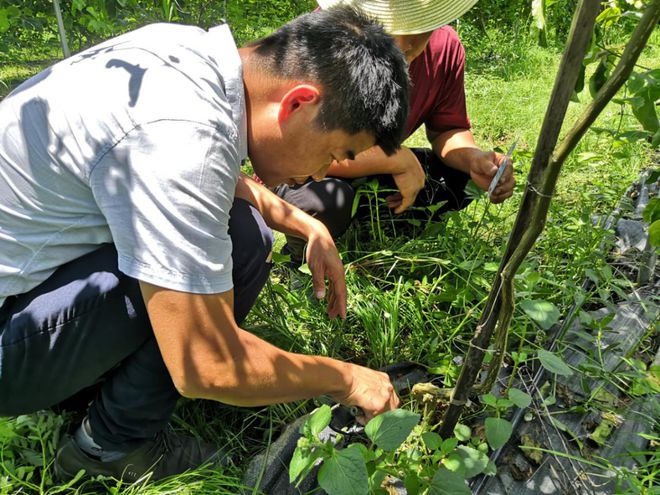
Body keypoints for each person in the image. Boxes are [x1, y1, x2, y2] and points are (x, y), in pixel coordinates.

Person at [0, 6, 409, 482]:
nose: (322, 174)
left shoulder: (183, 58)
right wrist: (346, 379)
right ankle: (106, 447)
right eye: (334, 153)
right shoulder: (180, 137)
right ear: (299, 103)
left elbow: (212, 179)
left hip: (26, 295)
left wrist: (306, 223)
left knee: (243, 231)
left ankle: (88, 392)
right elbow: (206, 363)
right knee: (242, 242)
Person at [275, 0, 516, 265]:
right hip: (304, 173)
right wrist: (394, 158)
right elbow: (299, 150)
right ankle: (300, 259)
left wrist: (473, 159)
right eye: (387, 26)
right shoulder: (321, 38)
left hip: (371, 169)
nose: (404, 42)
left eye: (418, 25)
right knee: (322, 202)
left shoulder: (445, 47)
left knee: (457, 179)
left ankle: (372, 233)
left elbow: (447, 128)